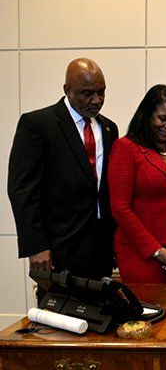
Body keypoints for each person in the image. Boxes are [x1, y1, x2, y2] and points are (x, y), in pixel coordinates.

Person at [8, 58, 118, 280]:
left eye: (101, 92)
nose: (97, 100)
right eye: (87, 93)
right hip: (59, 249)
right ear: (67, 90)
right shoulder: (39, 124)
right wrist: (35, 246)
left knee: (101, 312)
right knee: (59, 313)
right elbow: (23, 191)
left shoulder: (108, 128)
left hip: (101, 249)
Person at [108, 85, 166, 284]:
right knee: (147, 313)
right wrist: (156, 250)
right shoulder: (126, 148)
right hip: (141, 256)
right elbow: (120, 209)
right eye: (162, 118)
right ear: (147, 116)